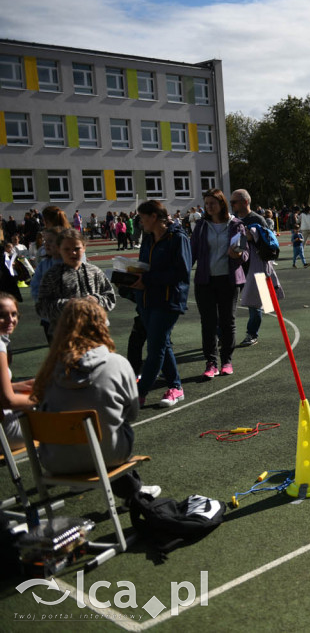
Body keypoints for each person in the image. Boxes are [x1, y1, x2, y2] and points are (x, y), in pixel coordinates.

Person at [31, 298, 159, 499]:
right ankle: (132, 492)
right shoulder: (117, 363)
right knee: (115, 424)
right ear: (101, 326)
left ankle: (122, 487)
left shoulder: (48, 370)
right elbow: (132, 414)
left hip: (57, 460)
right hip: (110, 455)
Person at [131, 200, 191, 408]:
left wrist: (147, 279)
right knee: (162, 343)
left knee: (155, 348)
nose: (140, 222)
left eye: (143, 218)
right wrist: (130, 277)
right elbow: (143, 266)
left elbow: (182, 272)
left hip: (167, 300)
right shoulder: (148, 238)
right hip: (146, 299)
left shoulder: (177, 238)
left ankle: (139, 394)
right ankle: (176, 386)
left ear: (154, 217)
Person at [191, 188, 247, 381]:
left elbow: (244, 253)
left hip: (228, 280)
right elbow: (193, 252)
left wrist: (238, 254)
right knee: (208, 323)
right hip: (205, 281)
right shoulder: (201, 226)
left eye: (212, 203)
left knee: (227, 321)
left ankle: (227, 361)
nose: (209, 207)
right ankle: (211, 363)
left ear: (222, 204)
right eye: (206, 204)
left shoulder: (236, 225)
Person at [36, 229, 116, 338]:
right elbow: (42, 307)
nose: (72, 253)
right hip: (66, 336)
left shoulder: (95, 271)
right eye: (67, 249)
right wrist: (66, 305)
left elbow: (110, 297)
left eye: (77, 249)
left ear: (84, 248)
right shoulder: (52, 275)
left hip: (96, 332)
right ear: (59, 249)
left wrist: (96, 300)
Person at [232, 189, 278, 347]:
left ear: (245, 202)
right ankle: (221, 334)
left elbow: (268, 243)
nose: (232, 205)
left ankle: (252, 334)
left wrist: (250, 238)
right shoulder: (233, 219)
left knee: (256, 304)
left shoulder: (257, 219)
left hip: (257, 265)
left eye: (234, 202)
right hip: (238, 267)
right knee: (228, 303)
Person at [0, 293, 35, 449]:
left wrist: (16, 386)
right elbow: (8, 401)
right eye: (2, 316)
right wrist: (45, 398)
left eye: (14, 314)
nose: (10, 320)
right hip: (6, 432)